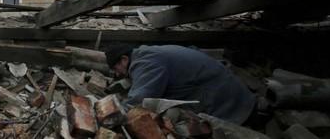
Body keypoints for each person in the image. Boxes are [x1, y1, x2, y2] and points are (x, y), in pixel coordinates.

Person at [102, 43, 256, 125]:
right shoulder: (147, 54)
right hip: (225, 87)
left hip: (225, 97)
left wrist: (112, 115)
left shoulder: (146, 62)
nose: (117, 74)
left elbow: (140, 99)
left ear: (124, 59)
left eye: (116, 68)